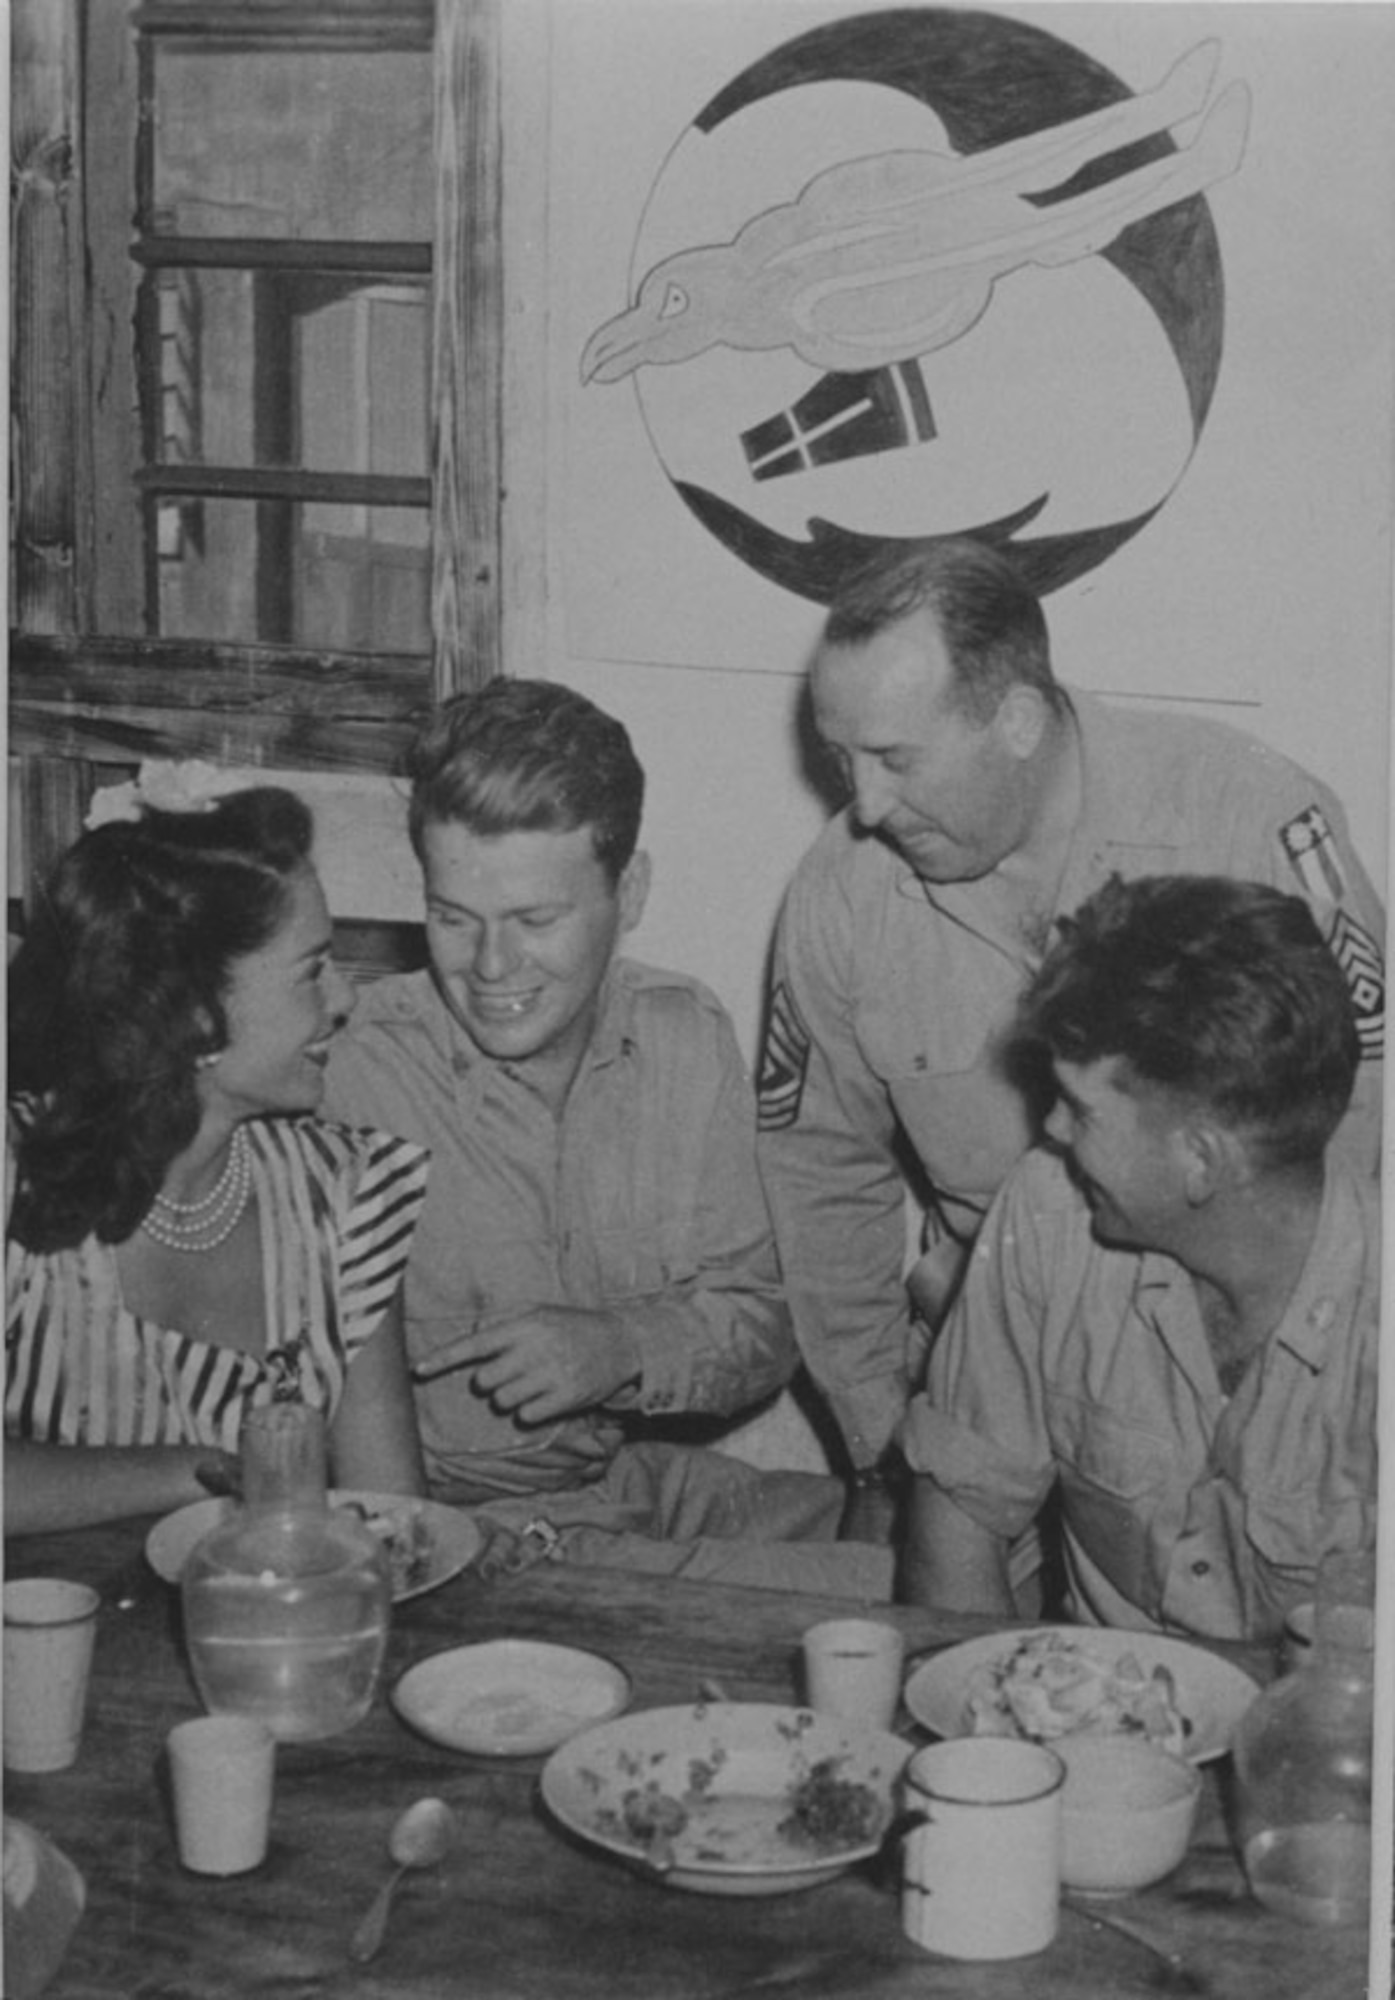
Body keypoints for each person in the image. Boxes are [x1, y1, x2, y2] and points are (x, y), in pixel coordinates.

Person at [756, 538, 1384, 1510]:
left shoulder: (1246, 817)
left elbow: (1357, 1129)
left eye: (894, 758)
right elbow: (819, 1182)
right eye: (843, 760)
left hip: (1250, 1384)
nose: (867, 806)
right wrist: (886, 1444)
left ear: (1014, 718)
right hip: (981, 1389)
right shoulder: (846, 895)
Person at [321, 679, 890, 1593]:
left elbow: (762, 1320)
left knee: (939, 1558)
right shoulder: (349, 1073)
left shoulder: (681, 1033)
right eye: (452, 919)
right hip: (461, 1532)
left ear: (629, 893)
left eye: (535, 922)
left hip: (613, 1485)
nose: (490, 968)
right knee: (863, 1599)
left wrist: (621, 1349)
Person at [899, 874, 1378, 1644]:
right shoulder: (1049, 1210)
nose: (1050, 1128)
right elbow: (958, 1518)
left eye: (1081, 1109)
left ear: (1199, 1159)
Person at [5, 773, 429, 1534]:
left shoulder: (349, 1200)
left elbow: (392, 1526)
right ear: (197, 1012)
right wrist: (197, 1471)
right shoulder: (20, 1185)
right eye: (311, 971)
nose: (345, 999)